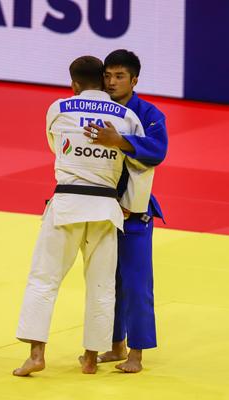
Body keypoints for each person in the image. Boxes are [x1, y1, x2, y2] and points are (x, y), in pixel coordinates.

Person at [13, 55, 154, 376]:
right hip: (107, 209)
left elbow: (55, 146)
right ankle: (91, 358)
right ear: (103, 81)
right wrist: (131, 200)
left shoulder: (58, 108)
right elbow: (141, 166)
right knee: (102, 285)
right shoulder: (129, 117)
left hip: (67, 203)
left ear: (74, 83)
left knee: (44, 279)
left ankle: (36, 355)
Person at [83, 50, 168, 373]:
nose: (112, 82)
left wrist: (119, 140)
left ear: (134, 80)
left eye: (120, 76)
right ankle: (115, 344)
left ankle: (137, 351)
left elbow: (158, 152)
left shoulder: (149, 114)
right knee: (105, 281)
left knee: (135, 283)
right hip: (100, 207)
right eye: (108, 75)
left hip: (135, 211)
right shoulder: (95, 109)